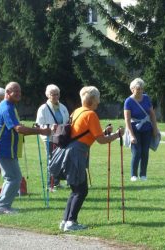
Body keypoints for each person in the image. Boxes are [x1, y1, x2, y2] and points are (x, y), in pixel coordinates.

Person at [49, 86, 124, 232]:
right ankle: (71, 222)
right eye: (98, 99)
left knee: (75, 189)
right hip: (76, 154)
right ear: (94, 100)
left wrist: (104, 132)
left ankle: (65, 221)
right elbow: (101, 141)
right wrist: (116, 135)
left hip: (69, 151)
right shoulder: (91, 114)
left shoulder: (77, 111)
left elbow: (87, 133)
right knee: (81, 190)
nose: (98, 102)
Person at [0, 82, 51, 215]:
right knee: (14, 178)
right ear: (7, 92)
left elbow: (16, 126)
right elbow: (18, 129)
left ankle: (2, 205)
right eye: (15, 91)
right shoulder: (6, 107)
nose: (18, 94)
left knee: (13, 177)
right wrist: (40, 130)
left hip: (8, 148)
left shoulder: (10, 106)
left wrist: (35, 129)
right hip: (3, 148)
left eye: (19, 91)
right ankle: (2, 206)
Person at [124, 78, 158, 181]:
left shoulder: (146, 98)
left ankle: (143, 174)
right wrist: (131, 135)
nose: (140, 91)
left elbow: (152, 114)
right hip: (134, 129)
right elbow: (127, 120)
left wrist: (155, 129)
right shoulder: (128, 101)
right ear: (132, 89)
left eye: (142, 89)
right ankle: (133, 175)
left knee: (145, 152)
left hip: (147, 128)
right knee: (136, 152)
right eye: (138, 89)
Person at [36, 84, 69, 189]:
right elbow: (39, 124)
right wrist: (50, 127)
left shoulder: (63, 107)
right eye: (53, 94)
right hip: (49, 138)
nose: (55, 96)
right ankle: (49, 184)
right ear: (48, 95)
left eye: (57, 94)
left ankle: (56, 182)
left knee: (59, 159)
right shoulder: (43, 108)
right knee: (51, 159)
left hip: (61, 137)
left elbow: (67, 121)